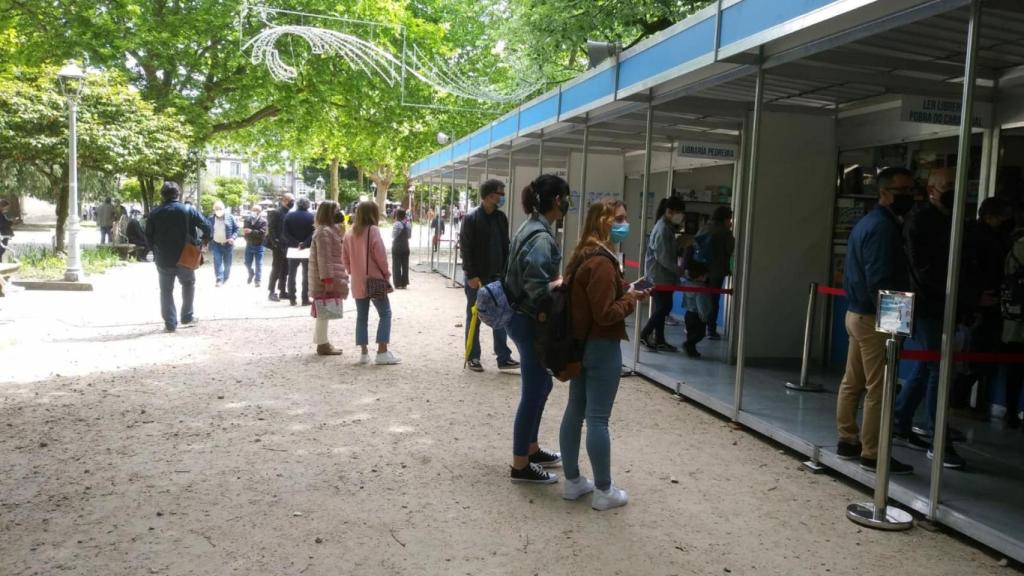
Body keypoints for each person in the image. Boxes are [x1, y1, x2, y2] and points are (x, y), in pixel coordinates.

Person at [559, 199, 647, 510]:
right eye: (619, 218)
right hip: (602, 347)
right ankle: (604, 491)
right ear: (603, 221)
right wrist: (631, 300)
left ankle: (572, 482)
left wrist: (624, 290)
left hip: (580, 346)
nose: (624, 224)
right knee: (598, 419)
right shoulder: (603, 261)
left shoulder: (582, 255)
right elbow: (606, 313)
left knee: (575, 411)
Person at [836, 166, 915, 475]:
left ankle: (847, 440)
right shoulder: (884, 228)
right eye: (902, 191)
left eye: (911, 190)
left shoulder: (868, 222)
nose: (909, 196)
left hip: (856, 313)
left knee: (852, 381)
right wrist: (894, 321)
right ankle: (873, 453)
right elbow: (880, 278)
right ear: (883, 192)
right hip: (875, 317)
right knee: (879, 388)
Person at [504, 174, 571, 484]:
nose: (567, 202)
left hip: (519, 318)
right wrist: (560, 284)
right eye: (565, 196)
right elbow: (537, 287)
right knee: (533, 391)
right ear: (556, 200)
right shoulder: (542, 237)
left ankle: (530, 449)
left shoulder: (530, 226)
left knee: (541, 386)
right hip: (528, 321)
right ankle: (521, 464)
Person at [460, 179, 519, 373]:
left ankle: (503, 357)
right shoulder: (471, 218)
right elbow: (466, 248)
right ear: (489, 195)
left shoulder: (501, 218)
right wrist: (471, 274)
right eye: (500, 193)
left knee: (501, 314)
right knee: (474, 315)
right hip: (477, 277)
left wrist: (506, 272)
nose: (502, 197)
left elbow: (506, 245)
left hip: (498, 276)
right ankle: (473, 356)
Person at [144, 182, 211, 333]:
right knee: (188, 284)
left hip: (163, 258)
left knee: (166, 290)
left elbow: (147, 237)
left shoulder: (155, 213)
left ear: (162, 195)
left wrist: (155, 250)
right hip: (186, 256)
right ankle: (187, 315)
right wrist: (203, 242)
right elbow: (207, 226)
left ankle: (170, 322)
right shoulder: (188, 210)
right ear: (178, 194)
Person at [342, 201, 401, 365]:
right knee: (385, 313)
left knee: (362, 317)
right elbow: (380, 255)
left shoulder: (349, 234)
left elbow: (345, 259)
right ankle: (382, 351)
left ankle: (363, 353)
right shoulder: (373, 231)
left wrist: (353, 271)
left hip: (357, 281)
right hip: (374, 280)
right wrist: (386, 273)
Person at [639, 196, 686, 352]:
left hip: (663, 276)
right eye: (679, 212)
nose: (681, 216)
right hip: (659, 276)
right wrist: (677, 269)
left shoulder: (667, 227)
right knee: (664, 307)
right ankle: (645, 334)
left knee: (662, 306)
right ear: (670, 211)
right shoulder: (662, 229)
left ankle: (659, 339)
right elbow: (663, 256)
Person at [309, 201, 349, 356]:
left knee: (323, 311)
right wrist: (328, 280)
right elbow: (324, 259)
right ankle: (322, 343)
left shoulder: (328, 230)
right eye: (337, 210)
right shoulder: (324, 232)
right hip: (326, 278)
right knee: (323, 311)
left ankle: (322, 341)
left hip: (327, 276)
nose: (340, 212)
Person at [696, 206, 735, 339]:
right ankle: (711, 329)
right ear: (725, 218)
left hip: (700, 271)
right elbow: (730, 250)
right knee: (714, 300)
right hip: (717, 271)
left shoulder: (704, 227)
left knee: (700, 299)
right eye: (729, 218)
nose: (730, 221)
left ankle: (696, 325)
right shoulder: (725, 232)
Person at [283, 197, 315, 306]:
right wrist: (304, 243)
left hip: (293, 248)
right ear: (308, 205)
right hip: (307, 248)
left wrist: (296, 243)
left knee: (291, 274)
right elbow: (313, 233)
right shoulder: (312, 217)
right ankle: (305, 298)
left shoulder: (289, 216)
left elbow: (285, 233)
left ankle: (292, 298)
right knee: (306, 274)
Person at [265, 193, 294, 302]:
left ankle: (282, 290)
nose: (292, 202)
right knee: (276, 268)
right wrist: (275, 243)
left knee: (285, 269)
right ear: (284, 201)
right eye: (291, 200)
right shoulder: (276, 212)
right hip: (278, 245)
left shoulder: (289, 213)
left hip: (287, 245)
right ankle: (271, 292)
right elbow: (271, 229)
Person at [682, 260, 713, 358]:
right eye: (705, 275)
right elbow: (701, 304)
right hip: (697, 315)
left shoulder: (687, 284)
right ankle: (688, 344)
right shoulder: (701, 288)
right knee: (700, 334)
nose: (706, 277)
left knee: (691, 333)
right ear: (701, 276)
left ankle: (691, 350)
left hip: (688, 313)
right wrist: (704, 316)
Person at [207, 200, 239, 287]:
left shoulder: (230, 217)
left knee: (227, 264)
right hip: (216, 244)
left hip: (228, 245)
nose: (218, 210)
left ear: (224, 209)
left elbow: (237, 229)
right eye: (216, 209)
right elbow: (208, 230)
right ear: (214, 210)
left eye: (220, 208)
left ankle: (226, 277)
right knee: (217, 262)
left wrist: (233, 238)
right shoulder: (210, 219)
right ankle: (219, 279)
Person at [243, 205, 268, 287]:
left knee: (259, 264)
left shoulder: (263, 221)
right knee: (247, 263)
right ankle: (251, 273)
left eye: (256, 210)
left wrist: (251, 231)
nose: (254, 211)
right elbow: (245, 230)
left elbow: (262, 233)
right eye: (253, 210)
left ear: (260, 212)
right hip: (249, 244)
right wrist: (247, 234)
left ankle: (258, 280)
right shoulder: (247, 220)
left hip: (259, 245)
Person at [391, 208, 412, 289]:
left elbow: (393, 235)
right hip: (406, 246)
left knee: (396, 265)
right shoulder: (408, 224)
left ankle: (397, 283)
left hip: (397, 246)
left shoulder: (397, 224)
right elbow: (409, 236)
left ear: (397, 215)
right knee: (405, 265)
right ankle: (404, 283)